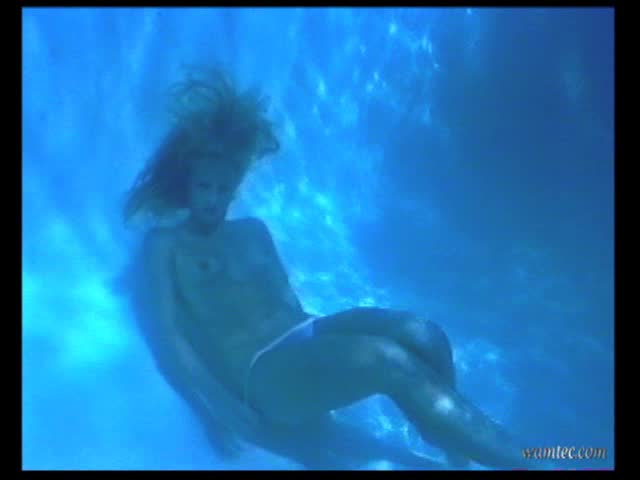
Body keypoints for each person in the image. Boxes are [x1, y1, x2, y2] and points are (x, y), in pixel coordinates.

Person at [119, 67, 534, 470]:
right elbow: (168, 340)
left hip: (304, 336)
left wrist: (328, 356)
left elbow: (290, 311)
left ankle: (459, 457)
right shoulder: (165, 245)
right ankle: (532, 463)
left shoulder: (253, 231)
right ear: (187, 185)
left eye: (222, 187)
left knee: (425, 335)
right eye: (203, 186)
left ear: (236, 185)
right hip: (261, 375)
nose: (212, 198)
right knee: (389, 362)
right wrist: (215, 410)